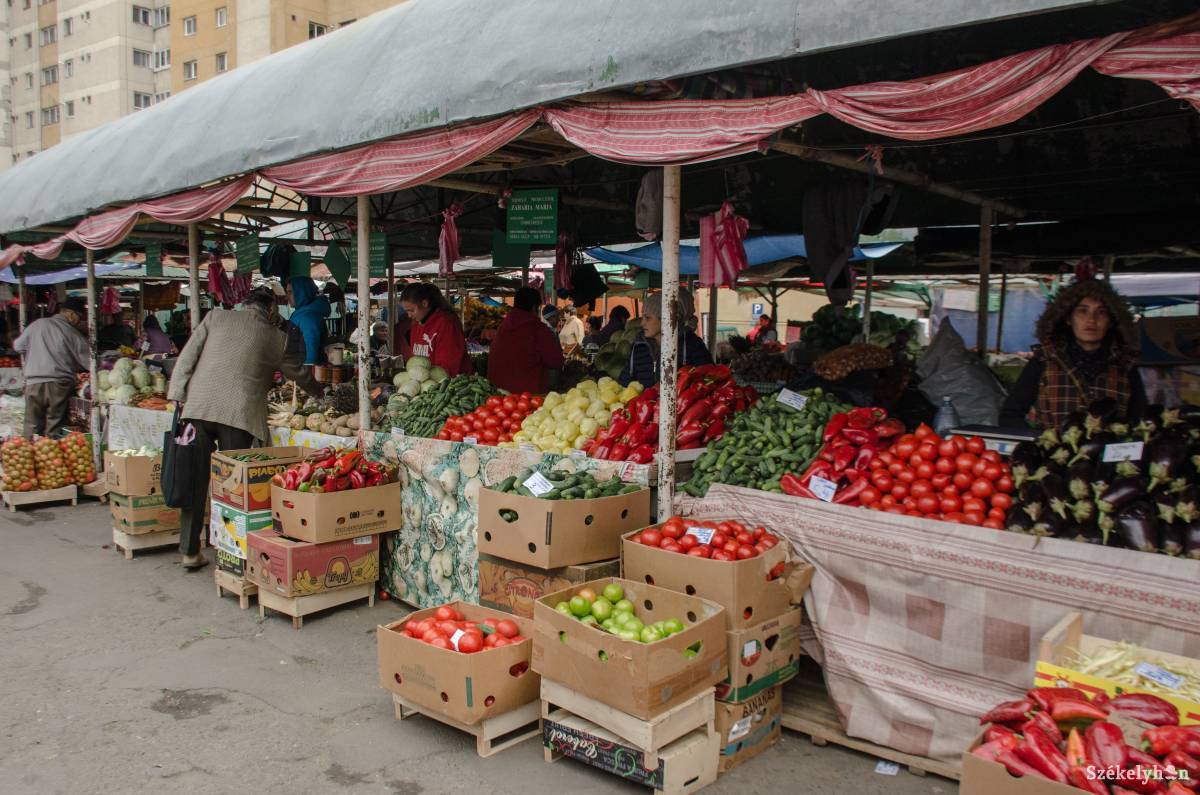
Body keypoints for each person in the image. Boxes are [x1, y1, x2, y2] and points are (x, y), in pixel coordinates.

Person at [167, 288, 323, 570]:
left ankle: (189, 551)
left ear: (243, 305)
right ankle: (232, 555)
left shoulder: (216, 317)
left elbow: (187, 357)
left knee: (194, 480)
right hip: (238, 416)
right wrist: (320, 392)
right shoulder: (278, 337)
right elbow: (297, 373)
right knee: (234, 489)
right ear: (271, 312)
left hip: (198, 409)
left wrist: (177, 393)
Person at [999, 276, 1146, 429]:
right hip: (1053, 452)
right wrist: (1038, 443)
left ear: (1111, 321)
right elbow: (1010, 415)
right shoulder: (1044, 360)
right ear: (1068, 318)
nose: (1091, 320)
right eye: (1083, 311)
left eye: (1101, 312)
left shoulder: (1125, 366)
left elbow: (1139, 420)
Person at [14, 297, 90, 437]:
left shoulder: (37, 324)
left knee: (32, 424)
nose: (79, 321)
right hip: (58, 384)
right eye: (79, 317)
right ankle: (49, 452)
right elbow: (89, 361)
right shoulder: (71, 333)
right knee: (53, 425)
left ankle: (29, 453)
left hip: (33, 383)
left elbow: (18, 346)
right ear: (71, 314)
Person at [619, 288, 712, 387]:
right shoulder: (638, 346)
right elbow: (624, 384)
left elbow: (710, 381)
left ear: (666, 319)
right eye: (643, 317)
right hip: (644, 402)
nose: (642, 323)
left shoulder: (691, 344)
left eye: (648, 318)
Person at [488, 287, 564, 394]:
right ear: (534, 308)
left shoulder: (503, 327)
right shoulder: (539, 330)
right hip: (527, 396)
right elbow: (555, 361)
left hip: (497, 394)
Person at [399, 282, 471, 375]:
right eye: (407, 311)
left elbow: (448, 366)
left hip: (450, 384)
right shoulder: (416, 323)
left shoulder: (446, 323)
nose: (409, 315)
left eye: (412, 310)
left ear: (424, 303)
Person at [286, 276, 331, 366]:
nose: (287, 296)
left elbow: (310, 353)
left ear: (302, 292)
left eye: (290, 292)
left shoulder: (308, 317)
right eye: (287, 292)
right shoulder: (301, 313)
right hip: (296, 370)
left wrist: (305, 376)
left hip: (304, 374)